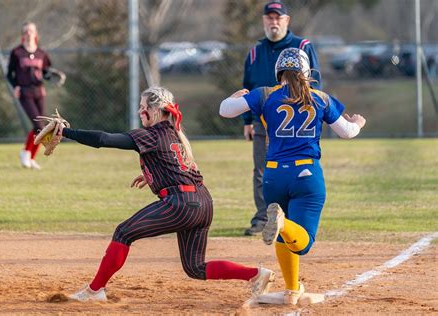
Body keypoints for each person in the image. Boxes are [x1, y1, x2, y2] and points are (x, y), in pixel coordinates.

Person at [52, 86, 274, 302]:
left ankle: (94, 290)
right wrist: (151, 175)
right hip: (203, 203)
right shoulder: (174, 134)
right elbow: (176, 166)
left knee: (123, 233)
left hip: (182, 204)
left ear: (155, 111)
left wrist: (66, 132)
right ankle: (256, 274)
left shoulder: (152, 134)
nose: (140, 112)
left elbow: (104, 139)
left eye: (143, 107)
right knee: (195, 268)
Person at [219, 47, 366, 304]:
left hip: (274, 175)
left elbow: (225, 110)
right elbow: (348, 132)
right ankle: (283, 223)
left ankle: (291, 290)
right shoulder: (320, 97)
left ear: (279, 71)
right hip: (306, 174)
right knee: (302, 242)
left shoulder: (265, 94)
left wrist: (233, 97)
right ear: (307, 71)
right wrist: (359, 123)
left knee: (282, 235)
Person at [242, 0, 321, 236]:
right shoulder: (256, 51)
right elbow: (247, 86)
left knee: (299, 165)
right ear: (264, 20)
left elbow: (315, 83)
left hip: (296, 118)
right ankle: (263, 219)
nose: (273, 21)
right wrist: (247, 120)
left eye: (278, 17)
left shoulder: (302, 46)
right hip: (262, 119)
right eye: (269, 17)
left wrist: (315, 115)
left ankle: (293, 216)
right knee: (261, 167)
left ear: (287, 20)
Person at [7, 22, 53, 170]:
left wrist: (52, 75)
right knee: (38, 125)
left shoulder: (42, 53)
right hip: (25, 92)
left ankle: (30, 157)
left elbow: (46, 72)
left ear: (35, 34)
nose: (29, 33)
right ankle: (26, 152)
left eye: (31, 30)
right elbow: (10, 74)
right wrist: (16, 86)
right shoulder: (17, 52)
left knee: (42, 127)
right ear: (23, 35)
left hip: (39, 92)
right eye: (26, 31)